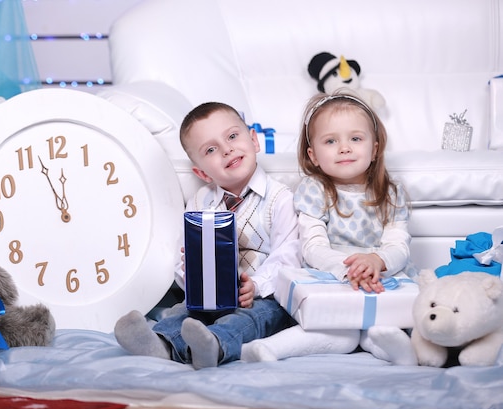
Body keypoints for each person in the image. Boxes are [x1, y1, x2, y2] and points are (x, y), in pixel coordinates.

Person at [114, 102, 301, 369]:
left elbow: (288, 256)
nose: (227, 149)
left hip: (262, 299)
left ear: (254, 141)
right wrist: (191, 272)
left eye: (233, 136)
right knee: (184, 311)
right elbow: (183, 259)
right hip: (211, 296)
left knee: (249, 319)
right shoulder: (200, 202)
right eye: (211, 149)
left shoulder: (279, 199)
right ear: (201, 172)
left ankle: (214, 344)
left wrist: (256, 286)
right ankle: (161, 343)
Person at [242, 90, 417, 365]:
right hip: (334, 279)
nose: (344, 147)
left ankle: (394, 347)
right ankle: (269, 349)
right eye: (331, 141)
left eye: (355, 139)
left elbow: (398, 244)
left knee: (382, 323)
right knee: (342, 334)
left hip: (380, 278)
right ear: (313, 155)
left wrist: (376, 261)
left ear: (374, 149)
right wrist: (350, 268)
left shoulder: (390, 194)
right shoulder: (314, 191)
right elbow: (313, 247)